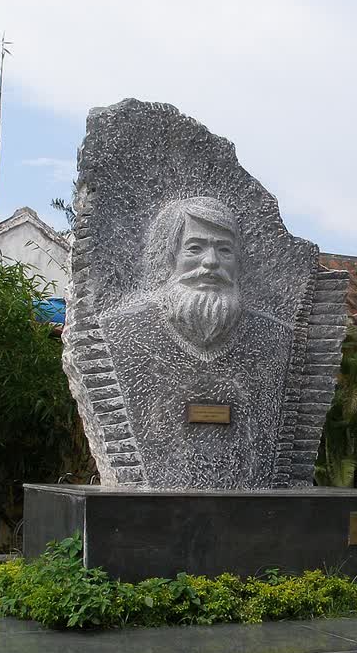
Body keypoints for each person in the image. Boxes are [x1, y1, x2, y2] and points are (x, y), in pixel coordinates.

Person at [99, 197, 293, 487]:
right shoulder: (121, 331)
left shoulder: (275, 338)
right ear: (170, 255)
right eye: (195, 247)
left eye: (224, 250)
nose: (211, 262)